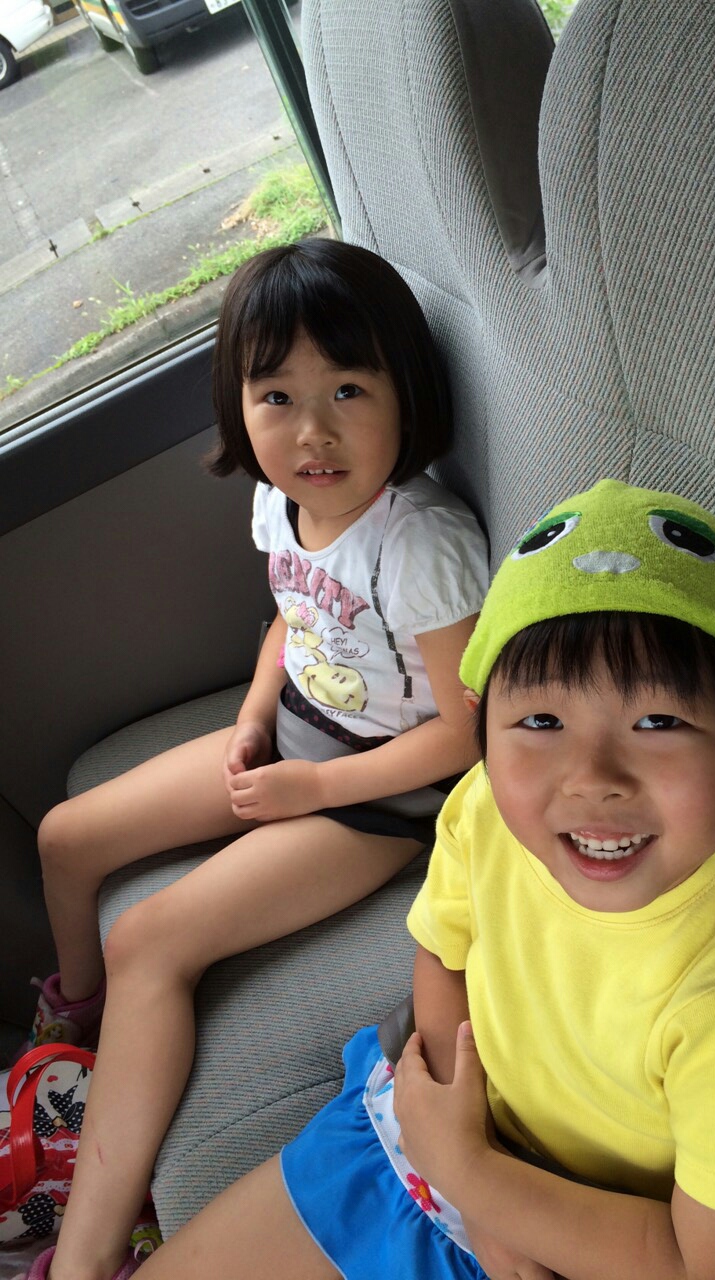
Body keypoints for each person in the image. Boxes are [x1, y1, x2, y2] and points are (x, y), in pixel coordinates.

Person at [109, 481, 715, 1280]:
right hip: (429, 1132)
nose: (591, 780)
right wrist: (462, 1163)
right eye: (541, 722)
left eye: (659, 722)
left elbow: (701, 1264)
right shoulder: (488, 806)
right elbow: (444, 955)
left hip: (577, 1240)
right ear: (479, 724)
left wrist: (476, 1181)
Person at [23, 238, 489, 1280]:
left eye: (348, 391)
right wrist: (251, 712)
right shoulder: (280, 501)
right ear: (239, 406)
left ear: (406, 394)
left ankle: (85, 1259)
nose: (312, 431)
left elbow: (466, 732)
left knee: (152, 939)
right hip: (291, 735)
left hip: (381, 800)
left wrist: (312, 788)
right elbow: (292, 619)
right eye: (277, 396)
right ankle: (77, 1037)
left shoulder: (421, 542)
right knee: (66, 837)